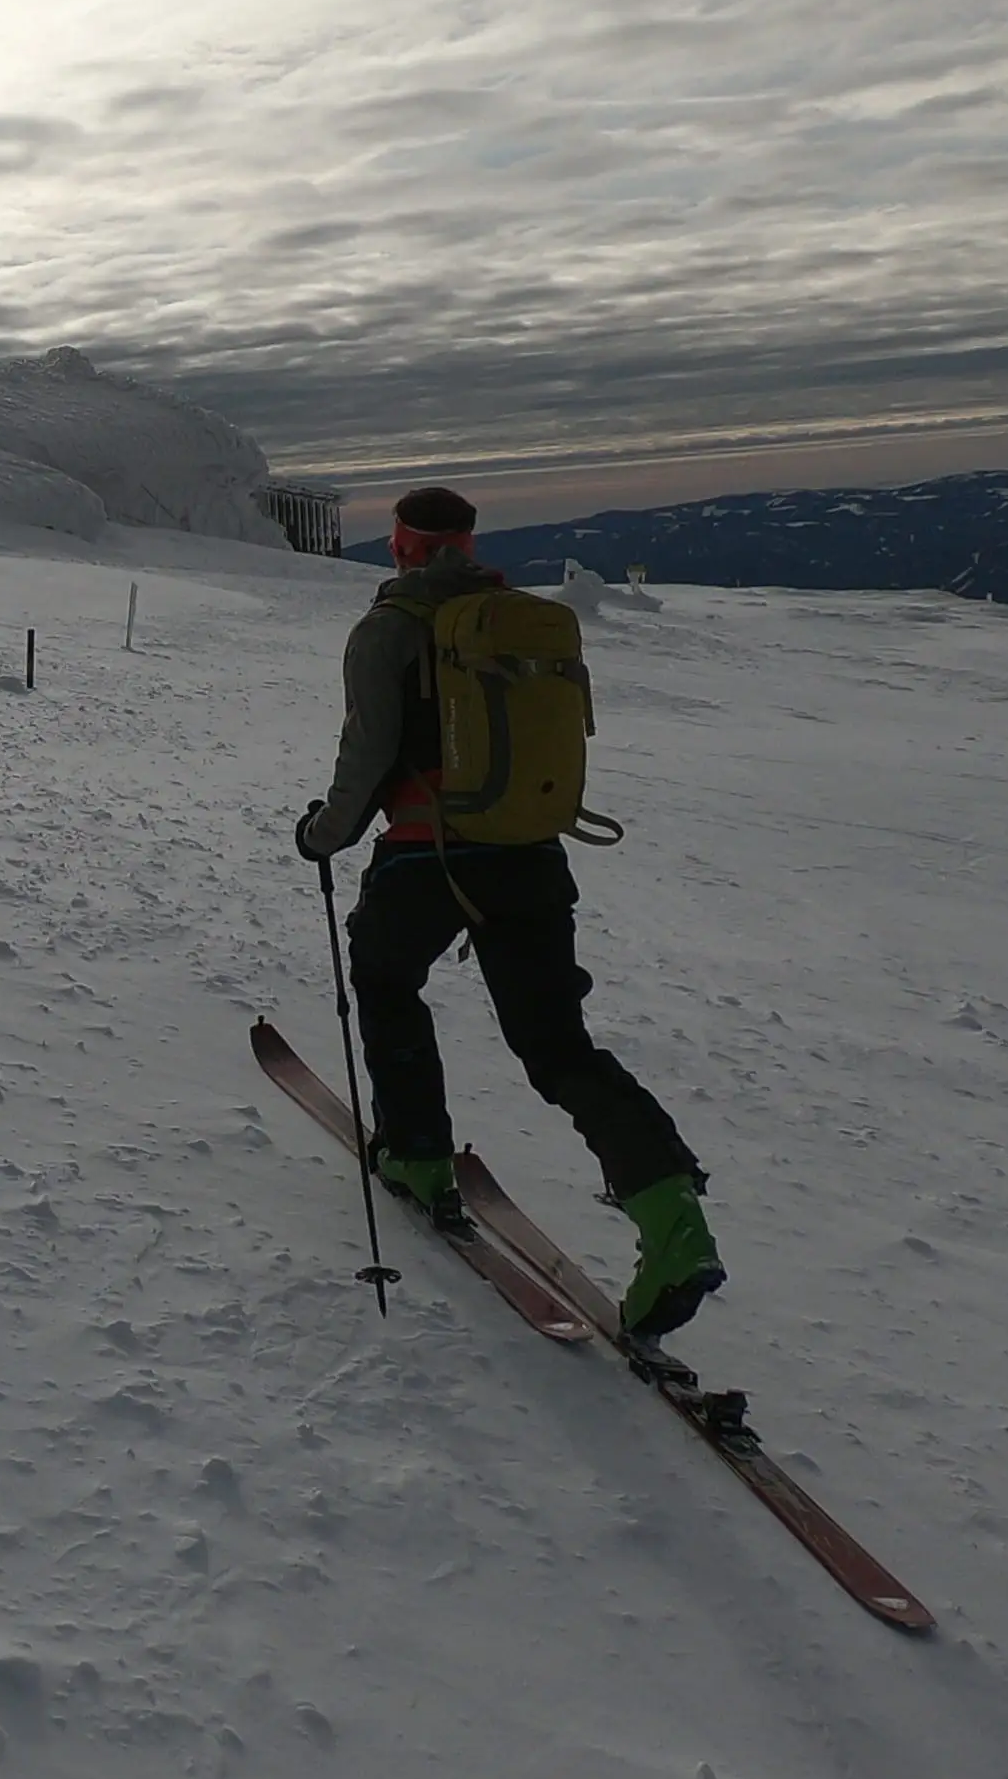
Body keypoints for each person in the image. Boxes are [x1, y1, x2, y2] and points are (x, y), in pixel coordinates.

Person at [295, 486, 725, 1339]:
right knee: (557, 1044)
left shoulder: (387, 629)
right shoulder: (515, 619)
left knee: (384, 977)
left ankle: (416, 1155)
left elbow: (367, 754)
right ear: (469, 541)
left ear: (401, 548)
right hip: (531, 853)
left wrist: (322, 837)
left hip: (429, 856)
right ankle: (673, 1216)